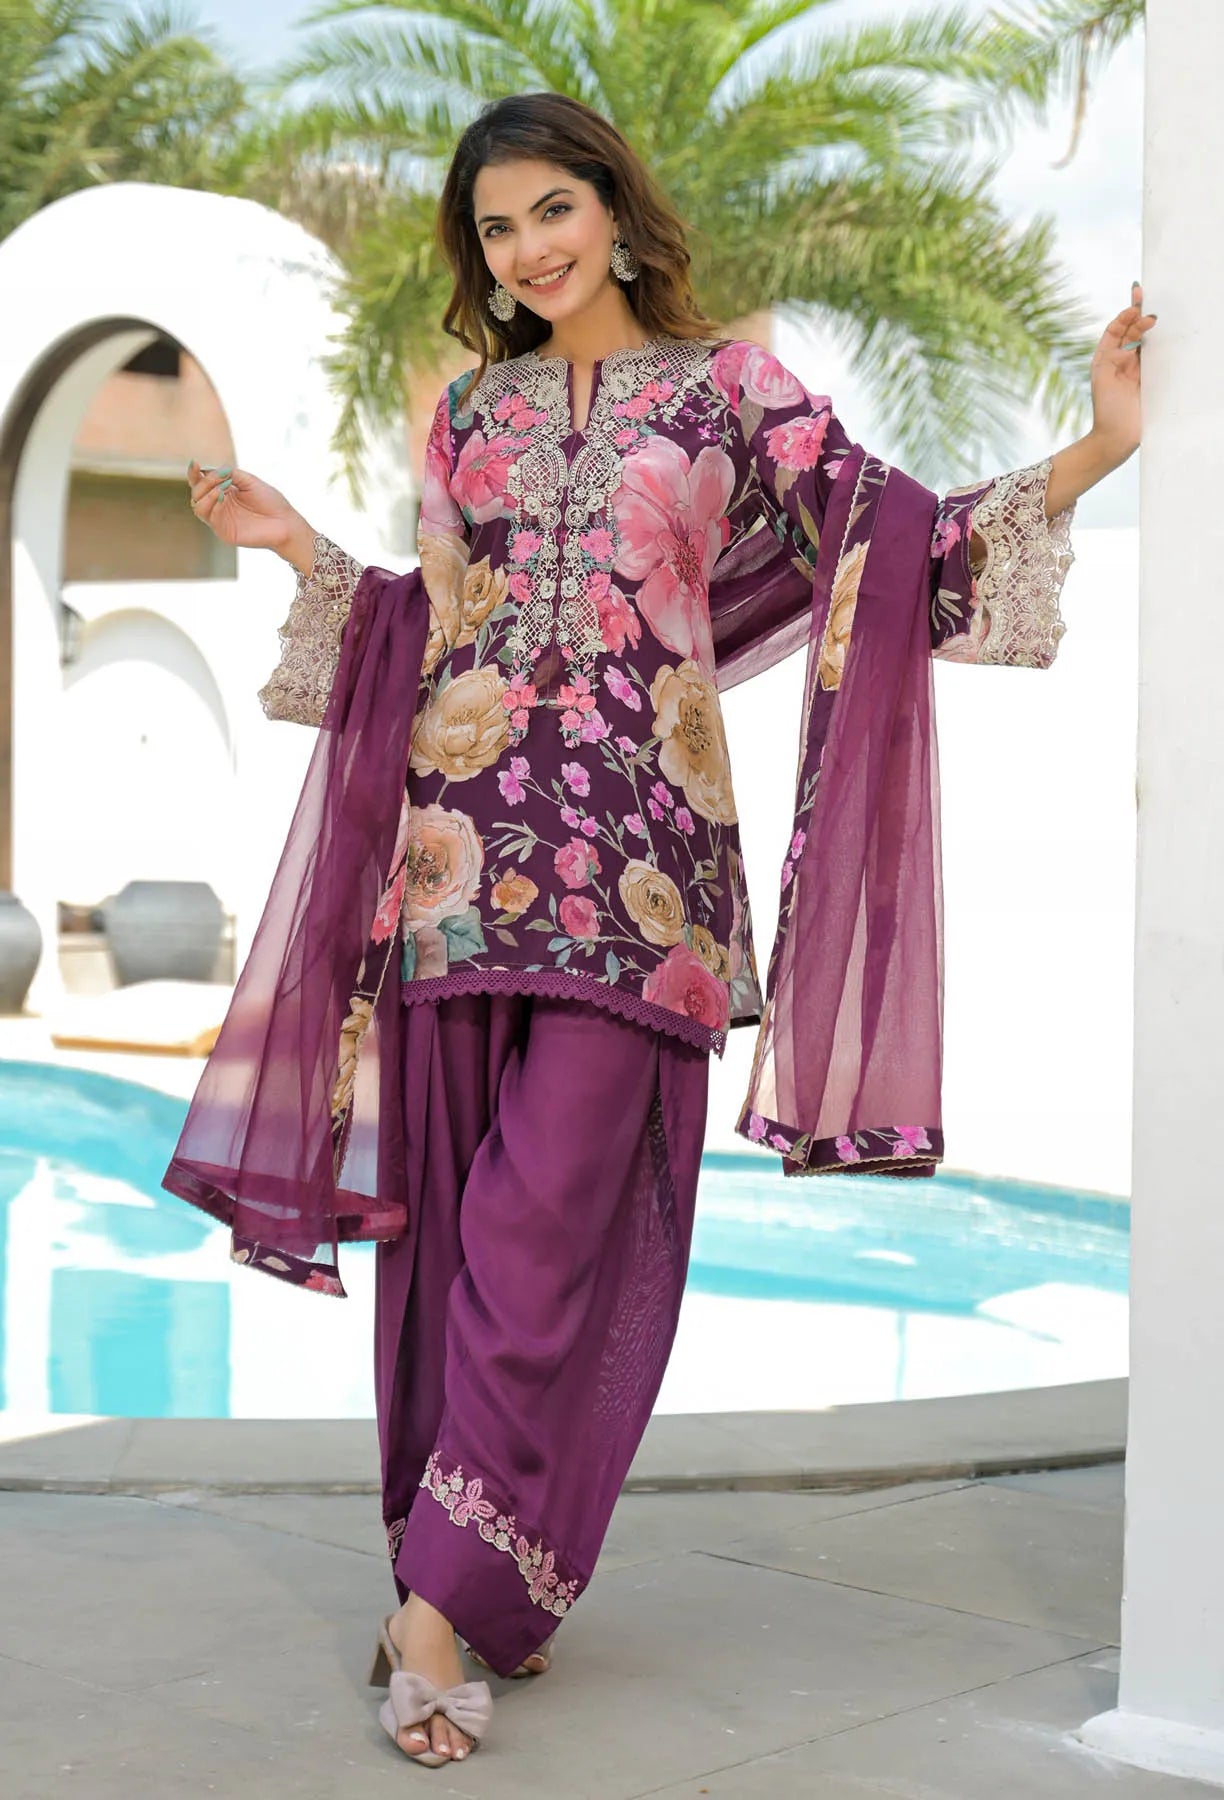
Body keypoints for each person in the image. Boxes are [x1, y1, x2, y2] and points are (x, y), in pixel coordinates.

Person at [172, 91, 1153, 1770]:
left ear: (614, 211)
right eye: (495, 228)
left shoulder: (731, 392)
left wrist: (1101, 449)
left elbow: (881, 548)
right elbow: (433, 624)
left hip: (642, 896)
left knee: (551, 1227)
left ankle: (432, 1607)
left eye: (551, 210)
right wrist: (297, 552)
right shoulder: (471, 412)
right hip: (455, 871)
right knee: (458, 1243)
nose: (527, 249)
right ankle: (463, 1583)